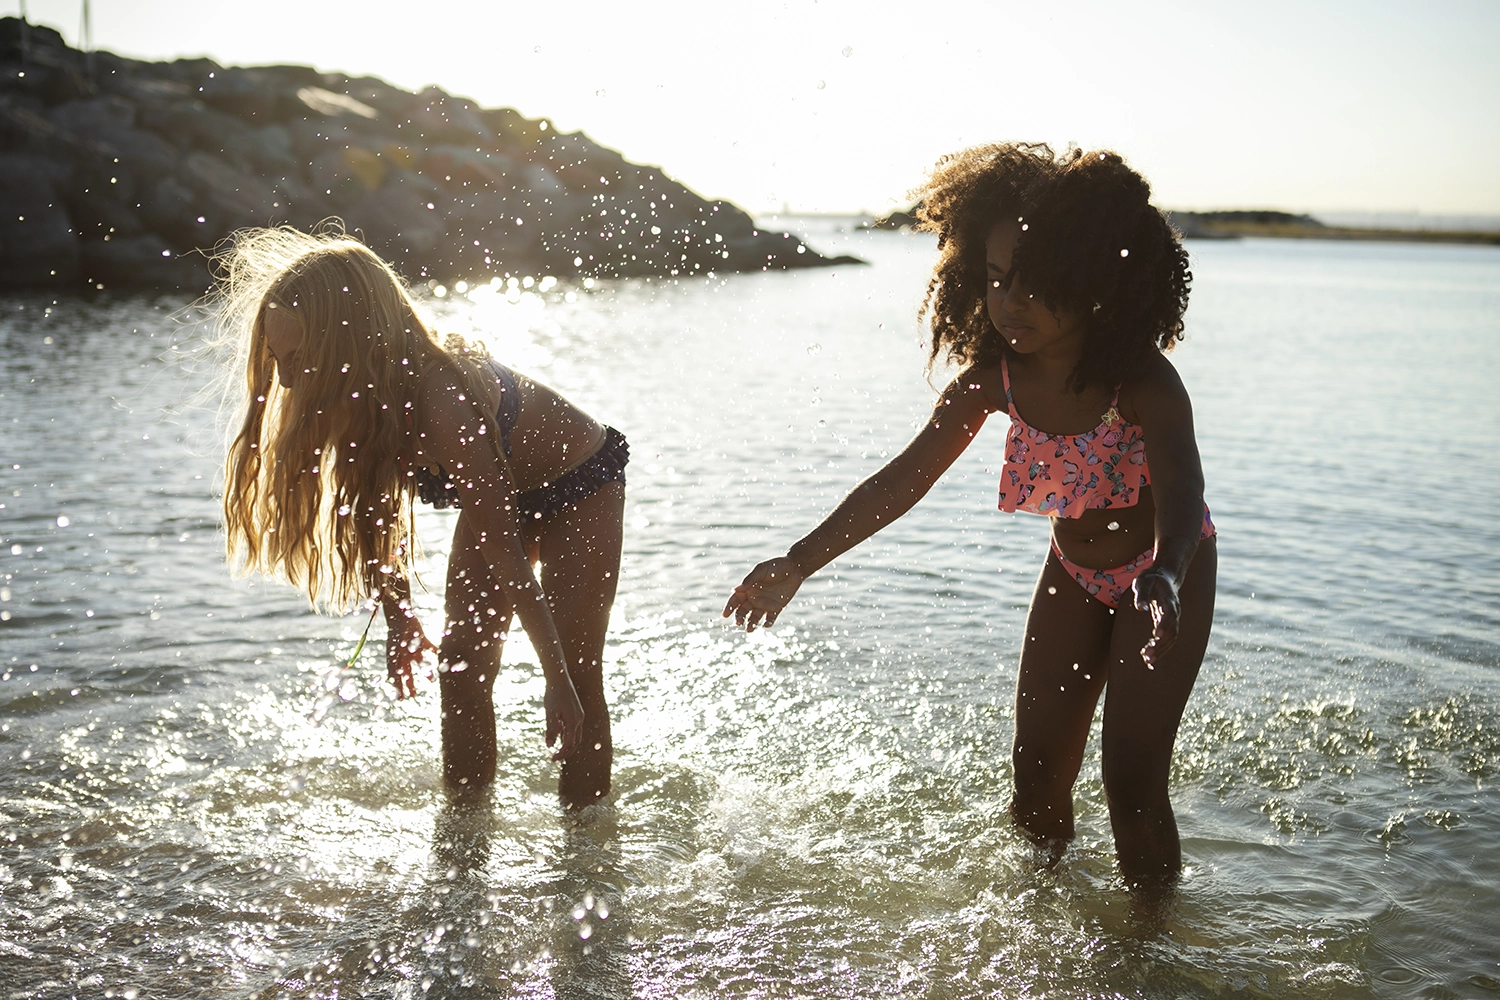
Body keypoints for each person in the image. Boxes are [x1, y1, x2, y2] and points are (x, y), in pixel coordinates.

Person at [723, 145, 1215, 889]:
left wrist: (1169, 575)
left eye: (1036, 284)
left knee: (1131, 782)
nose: (1010, 302)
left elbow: (1182, 495)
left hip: (1165, 577)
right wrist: (798, 562)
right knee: (1035, 772)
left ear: (1092, 282)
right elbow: (901, 481)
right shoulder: (993, 382)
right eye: (994, 279)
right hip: (1076, 574)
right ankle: (1044, 921)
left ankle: (1153, 954)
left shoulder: (1143, 380)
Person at [217, 227, 626, 808]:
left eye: (299, 360)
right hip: (500, 498)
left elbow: (504, 549)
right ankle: (464, 833)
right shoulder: (355, 400)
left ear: (348, 343)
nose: (285, 380)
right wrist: (400, 618)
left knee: (577, 675)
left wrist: (553, 680)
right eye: (279, 361)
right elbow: (373, 515)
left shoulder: (442, 400)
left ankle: (585, 851)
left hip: (575, 484)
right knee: (460, 669)